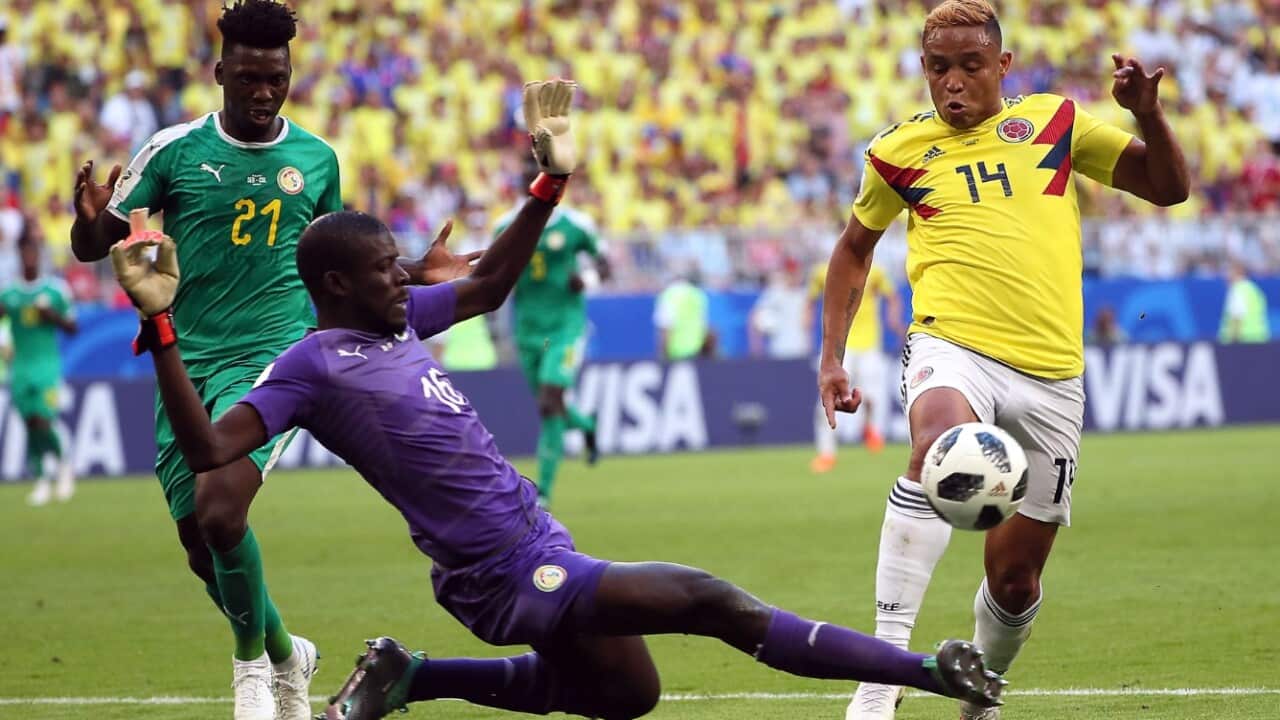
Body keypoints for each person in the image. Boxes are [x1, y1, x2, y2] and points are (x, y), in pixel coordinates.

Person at [114, 79, 1003, 720]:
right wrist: (159, 331)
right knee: (712, 602)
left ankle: (409, 676)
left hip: (537, 537)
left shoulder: (391, 323)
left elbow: (491, 282)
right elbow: (207, 453)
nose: (411, 278)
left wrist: (549, 182)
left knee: (627, 695)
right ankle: (929, 671)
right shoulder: (309, 364)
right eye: (391, 271)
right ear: (339, 283)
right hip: (497, 573)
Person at [68, 3, 469, 717]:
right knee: (201, 544)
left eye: (275, 78)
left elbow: (339, 261)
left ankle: (252, 670)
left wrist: (410, 268)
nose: (262, 92)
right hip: (186, 358)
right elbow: (93, 245)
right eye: (249, 77)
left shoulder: (315, 159)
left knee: (223, 514)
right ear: (222, 73)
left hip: (276, 354)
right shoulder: (174, 151)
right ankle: (290, 654)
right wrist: (88, 217)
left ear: (290, 74)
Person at [817, 2, 1189, 718]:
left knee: (1015, 581)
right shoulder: (897, 152)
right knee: (937, 448)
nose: (951, 83)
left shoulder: (1052, 123)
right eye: (937, 68)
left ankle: (982, 685)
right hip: (953, 344)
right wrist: (832, 358)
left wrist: (1148, 116)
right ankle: (880, 677)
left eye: (969, 66)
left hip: (1053, 376)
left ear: (1003, 67)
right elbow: (852, 251)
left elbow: (1169, 189)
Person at [494, 162, 610, 506]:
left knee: (549, 400)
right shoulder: (505, 225)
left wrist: (587, 281)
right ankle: (586, 424)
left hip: (565, 327)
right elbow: (492, 272)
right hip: (529, 330)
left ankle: (543, 489)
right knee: (551, 405)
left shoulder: (576, 224)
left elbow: (604, 263)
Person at [0, 238, 77, 506]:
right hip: (19, 366)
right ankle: (42, 479)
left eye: (33, 251)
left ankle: (64, 465)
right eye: (25, 252)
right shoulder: (9, 293)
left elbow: (72, 327)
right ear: (19, 255)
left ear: (39, 254)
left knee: (44, 418)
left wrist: (51, 315)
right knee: (29, 422)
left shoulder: (54, 290)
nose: (29, 257)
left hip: (47, 366)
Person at [809, 257, 903, 471]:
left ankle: (869, 428)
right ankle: (826, 453)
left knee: (871, 396)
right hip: (840, 345)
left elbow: (893, 297)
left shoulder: (876, 271)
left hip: (869, 343)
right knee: (828, 395)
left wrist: (893, 319)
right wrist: (806, 323)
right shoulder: (822, 271)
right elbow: (810, 299)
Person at [654, 269, 714, 361]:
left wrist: (663, 353)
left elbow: (665, 327)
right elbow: (705, 326)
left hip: (675, 352)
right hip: (697, 350)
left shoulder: (669, 295)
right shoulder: (697, 294)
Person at [1218, 259, 1271, 343]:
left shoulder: (1238, 289)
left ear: (1237, 271)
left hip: (1243, 340)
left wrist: (1233, 342)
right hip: (1258, 339)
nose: (1225, 275)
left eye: (1228, 270)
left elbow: (1237, 316)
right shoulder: (1253, 289)